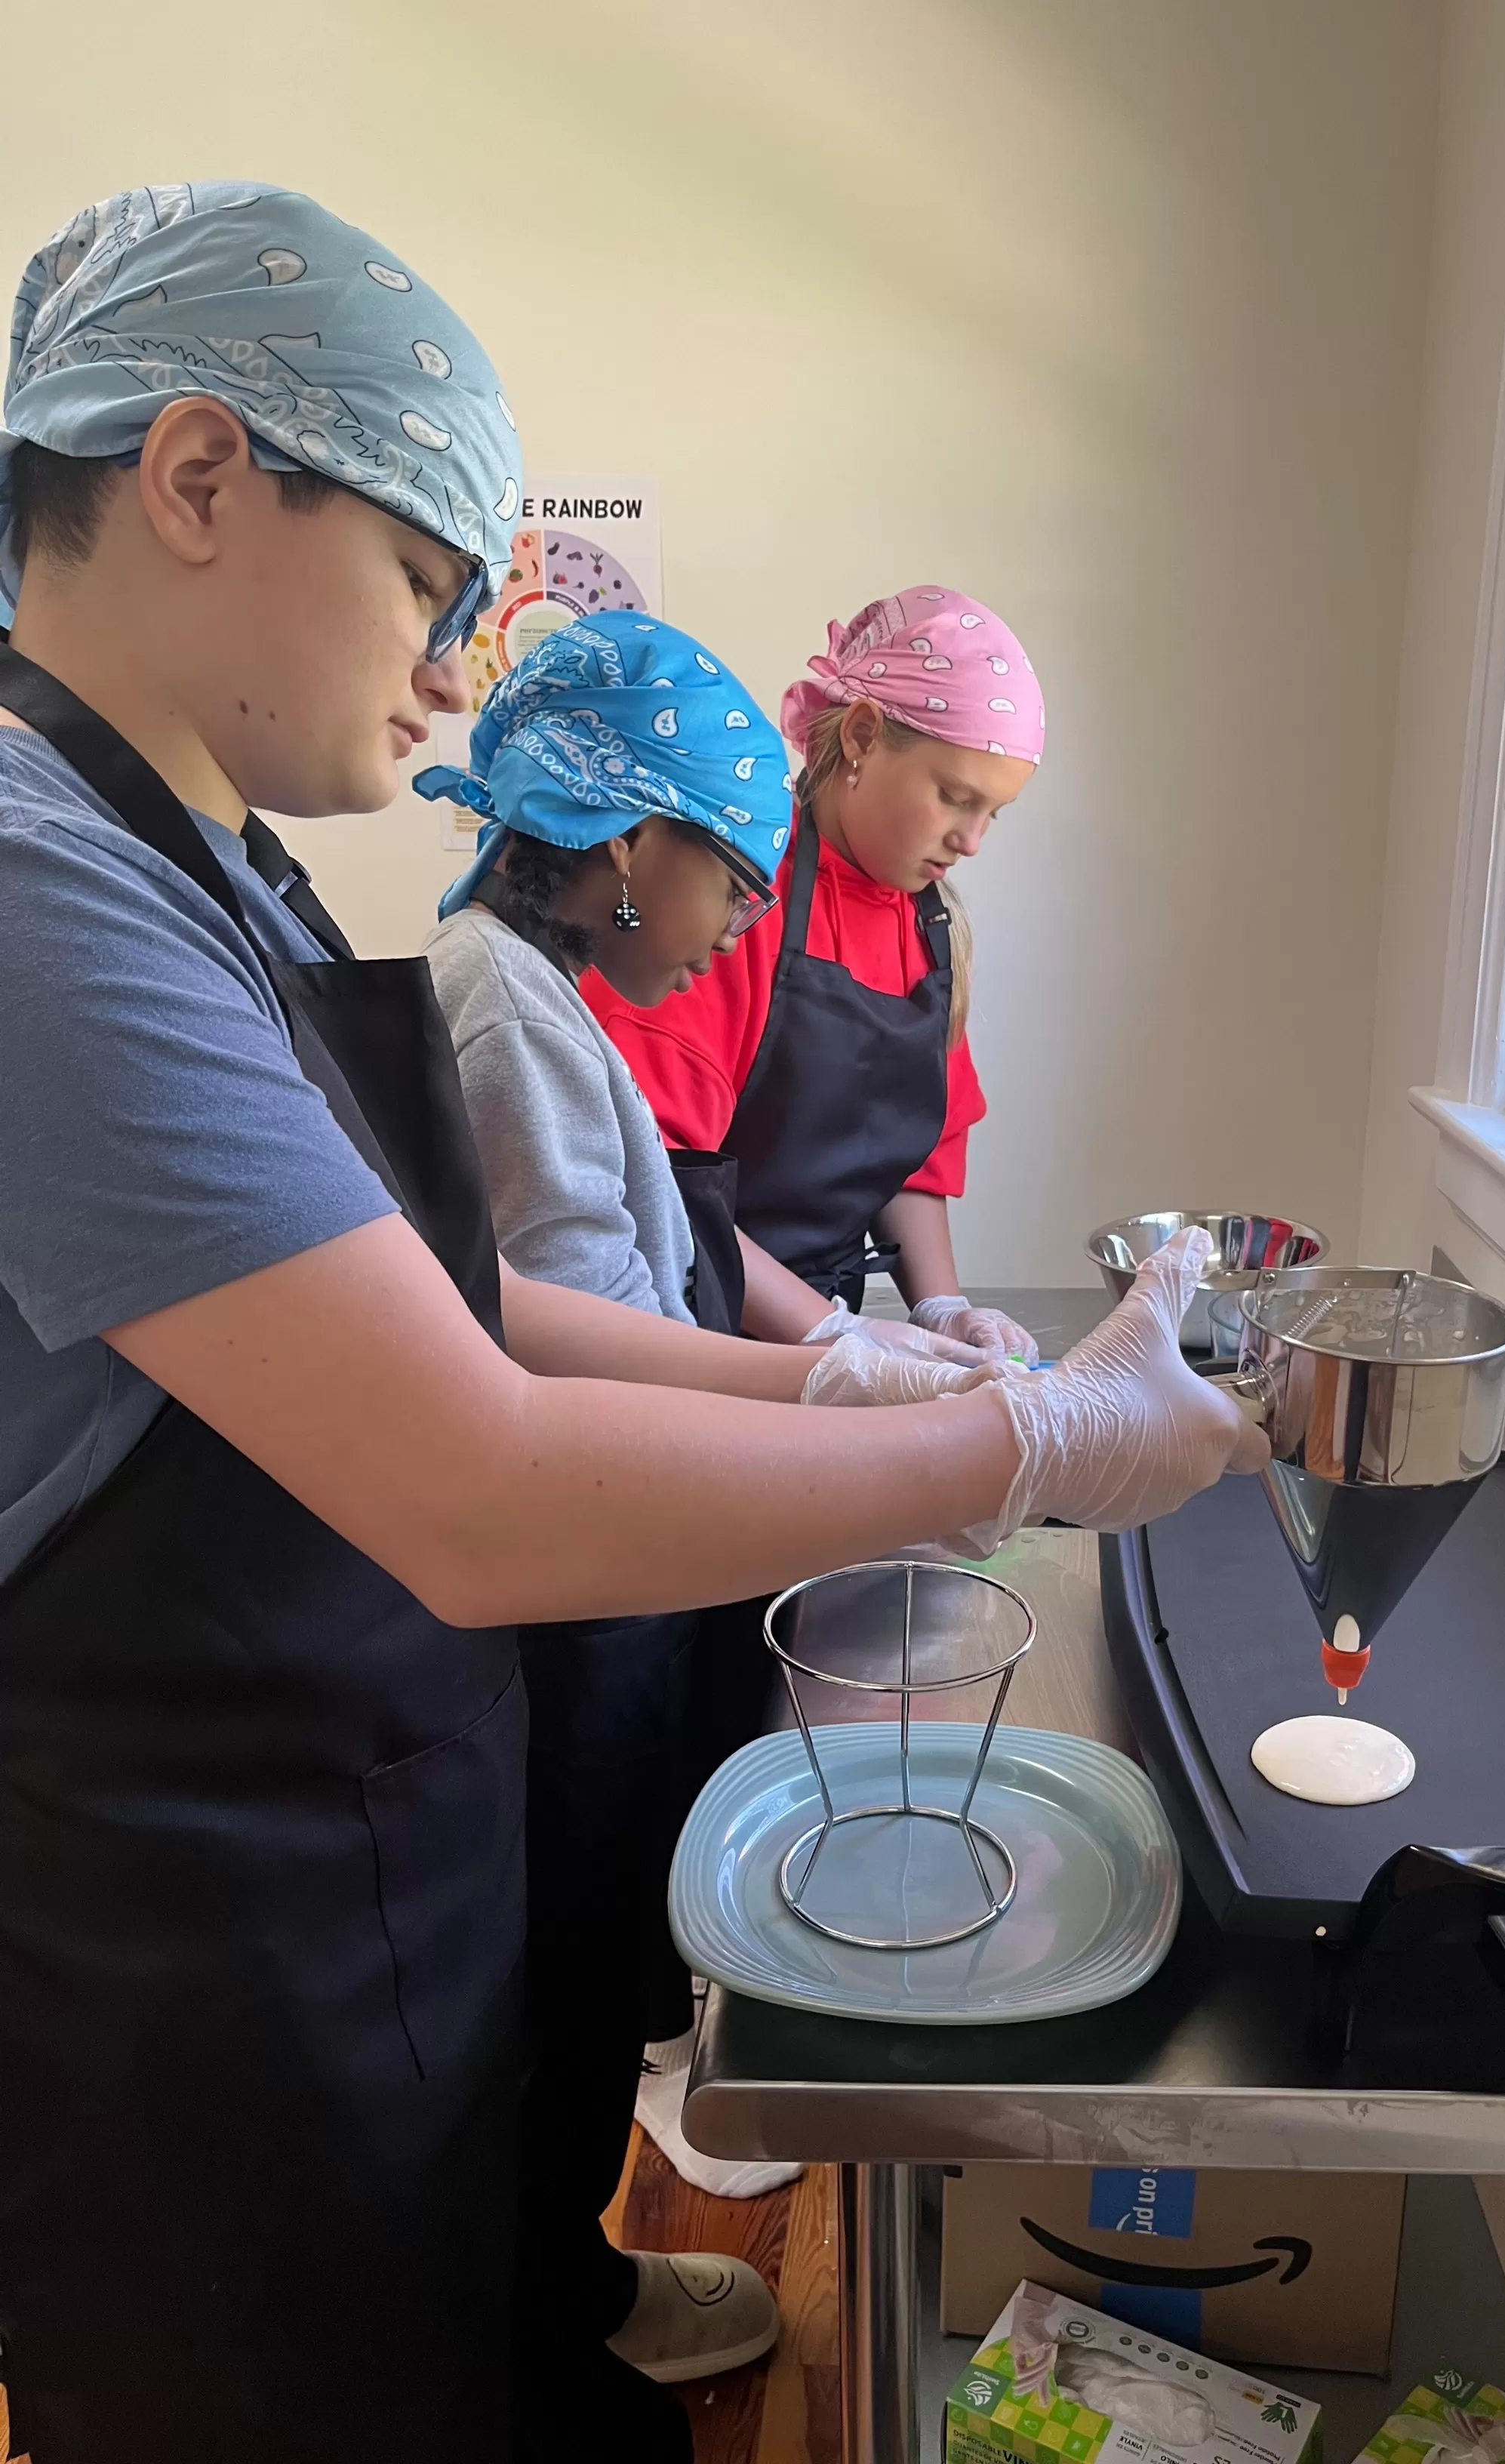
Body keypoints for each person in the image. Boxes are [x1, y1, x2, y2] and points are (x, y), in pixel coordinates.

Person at [0, 184, 1263, 2464]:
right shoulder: (38, 889)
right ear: (192, 476)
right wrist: (1026, 1449)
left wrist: (835, 1368)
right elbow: (480, 1481)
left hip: (344, 1830)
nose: (457, 673)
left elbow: (462, 1309)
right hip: (191, 1915)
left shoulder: (221, 873)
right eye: (427, 582)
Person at [414, 608, 975, 2375]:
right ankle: (548, 2321)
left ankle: (554, 2293)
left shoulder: (540, 994)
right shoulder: (504, 1011)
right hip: (585, 1580)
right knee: (574, 1976)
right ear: (621, 843)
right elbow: (580, 1331)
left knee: (597, 1962)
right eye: (727, 879)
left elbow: (673, 1259)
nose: (743, 918)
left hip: (622, 1542)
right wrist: (846, 1399)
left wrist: (875, 1355)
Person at [585, 584, 1048, 1360]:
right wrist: (834, 1336)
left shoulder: (933, 932)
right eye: (953, 797)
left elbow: (915, 1161)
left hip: (820, 1334)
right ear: (862, 736)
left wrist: (942, 1307)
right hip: (692, 1330)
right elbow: (660, 1181)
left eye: (991, 814)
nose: (971, 841)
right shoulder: (730, 899)